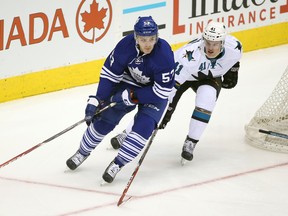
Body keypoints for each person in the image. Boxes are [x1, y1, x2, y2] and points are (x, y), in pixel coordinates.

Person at [110, 21, 242, 164]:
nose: (210, 47)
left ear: (222, 43)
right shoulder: (188, 56)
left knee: (207, 98)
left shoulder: (234, 47)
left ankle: (191, 142)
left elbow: (234, 59)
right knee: (158, 108)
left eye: (215, 44)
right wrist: (165, 108)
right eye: (208, 43)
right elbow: (169, 88)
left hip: (210, 78)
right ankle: (128, 132)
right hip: (180, 77)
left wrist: (233, 68)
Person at [66, 16, 175, 183]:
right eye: (143, 39)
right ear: (136, 37)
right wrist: (98, 99)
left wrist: (133, 97)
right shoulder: (125, 46)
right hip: (129, 81)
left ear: (157, 37)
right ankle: (82, 152)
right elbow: (109, 74)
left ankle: (118, 163)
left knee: (143, 129)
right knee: (105, 118)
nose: (147, 44)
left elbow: (162, 92)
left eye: (151, 39)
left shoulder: (164, 55)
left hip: (154, 93)